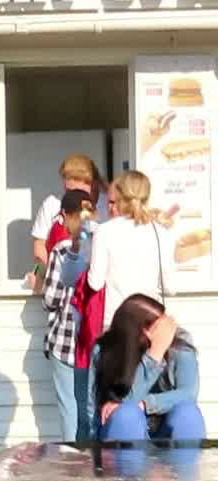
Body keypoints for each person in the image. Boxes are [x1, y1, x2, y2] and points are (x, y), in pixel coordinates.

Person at [92, 295, 205, 442]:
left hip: (166, 431)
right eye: (159, 328)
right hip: (121, 431)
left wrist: (146, 404)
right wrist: (154, 356)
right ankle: (128, 458)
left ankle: (185, 458)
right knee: (127, 415)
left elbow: (189, 394)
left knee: (188, 414)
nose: (166, 333)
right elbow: (123, 401)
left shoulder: (180, 344)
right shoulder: (105, 350)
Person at [41, 190, 97, 441]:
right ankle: (94, 458)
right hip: (94, 339)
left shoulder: (62, 250)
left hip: (65, 340)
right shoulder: (103, 245)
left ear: (65, 215)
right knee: (90, 407)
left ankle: (72, 459)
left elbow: (51, 299)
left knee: (69, 408)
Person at [87, 170, 174, 332]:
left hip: (115, 321)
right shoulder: (160, 231)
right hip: (149, 322)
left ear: (120, 195)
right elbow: (169, 287)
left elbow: (95, 283)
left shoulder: (105, 231)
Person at [29, 154, 107, 284]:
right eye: (69, 191)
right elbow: (40, 246)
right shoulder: (52, 204)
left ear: (94, 184)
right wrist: (39, 273)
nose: (73, 197)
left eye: (79, 192)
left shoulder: (109, 205)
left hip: (96, 282)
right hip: (60, 283)